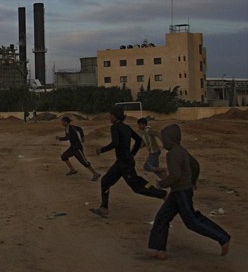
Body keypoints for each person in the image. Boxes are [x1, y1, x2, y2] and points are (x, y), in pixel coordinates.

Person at [147, 124, 231, 259]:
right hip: (178, 192)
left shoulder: (173, 153)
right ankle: (159, 250)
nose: (163, 142)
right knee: (162, 218)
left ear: (170, 139)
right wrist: (193, 180)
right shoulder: (181, 150)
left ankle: (222, 238)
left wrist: (161, 183)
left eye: (164, 139)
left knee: (192, 221)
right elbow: (194, 164)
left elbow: (175, 176)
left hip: (182, 192)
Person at [90, 106, 167, 218]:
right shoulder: (126, 127)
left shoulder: (115, 127)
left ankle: (163, 194)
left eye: (110, 115)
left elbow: (115, 143)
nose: (109, 117)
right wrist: (133, 153)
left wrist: (102, 149)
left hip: (124, 163)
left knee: (137, 186)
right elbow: (138, 140)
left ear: (114, 115)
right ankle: (104, 209)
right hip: (122, 162)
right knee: (106, 181)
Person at [56, 116, 101, 181]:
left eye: (62, 121)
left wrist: (59, 138)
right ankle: (72, 170)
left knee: (84, 161)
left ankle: (95, 173)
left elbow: (67, 138)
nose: (61, 123)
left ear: (66, 122)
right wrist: (82, 137)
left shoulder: (69, 128)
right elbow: (79, 128)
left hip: (77, 148)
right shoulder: (70, 127)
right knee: (64, 156)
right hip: (73, 147)